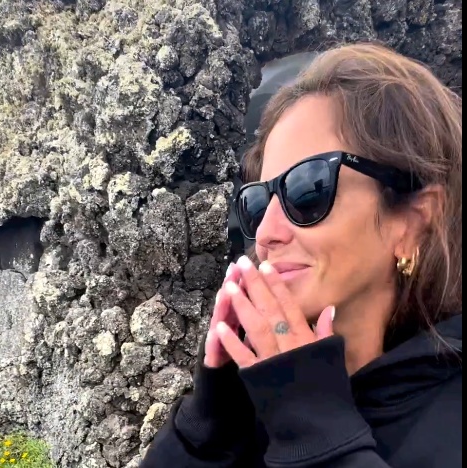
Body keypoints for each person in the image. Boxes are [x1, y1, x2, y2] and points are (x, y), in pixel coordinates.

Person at [140, 43, 462, 467]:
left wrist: (318, 438)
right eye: (257, 204)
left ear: (413, 222)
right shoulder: (261, 405)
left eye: (307, 190)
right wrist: (206, 433)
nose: (266, 235)